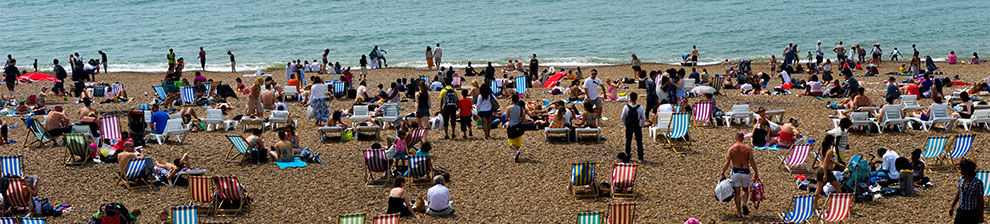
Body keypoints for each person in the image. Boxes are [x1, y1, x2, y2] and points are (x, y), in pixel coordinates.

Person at [720, 132, 759, 217]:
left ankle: (739, 213)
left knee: (737, 194)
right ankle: (744, 204)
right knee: (745, 190)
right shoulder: (747, 149)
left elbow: (727, 162)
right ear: (743, 138)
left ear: (735, 138)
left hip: (736, 172)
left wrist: (722, 172)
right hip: (745, 172)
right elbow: (752, 162)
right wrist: (756, 173)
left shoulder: (732, 149)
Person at [950, 159, 984, 223]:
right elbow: (959, 193)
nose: (960, 170)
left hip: (972, 213)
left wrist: (981, 215)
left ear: (966, 170)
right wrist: (952, 206)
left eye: (961, 169)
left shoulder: (977, 183)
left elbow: (981, 201)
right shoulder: (961, 179)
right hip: (961, 211)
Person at [621, 92, 646, 162]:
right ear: (636, 99)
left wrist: (625, 124)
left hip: (629, 126)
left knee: (628, 140)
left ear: (630, 98)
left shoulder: (626, 107)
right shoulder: (640, 108)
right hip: (637, 125)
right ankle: (640, 157)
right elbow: (643, 118)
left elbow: (622, 117)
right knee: (639, 141)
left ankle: (628, 155)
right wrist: (641, 125)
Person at [506, 94, 529, 162]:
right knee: (518, 140)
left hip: (511, 125)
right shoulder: (520, 108)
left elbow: (506, 118)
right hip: (518, 125)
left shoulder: (509, 108)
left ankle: (516, 151)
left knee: (511, 140)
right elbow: (524, 118)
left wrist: (510, 119)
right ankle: (516, 153)